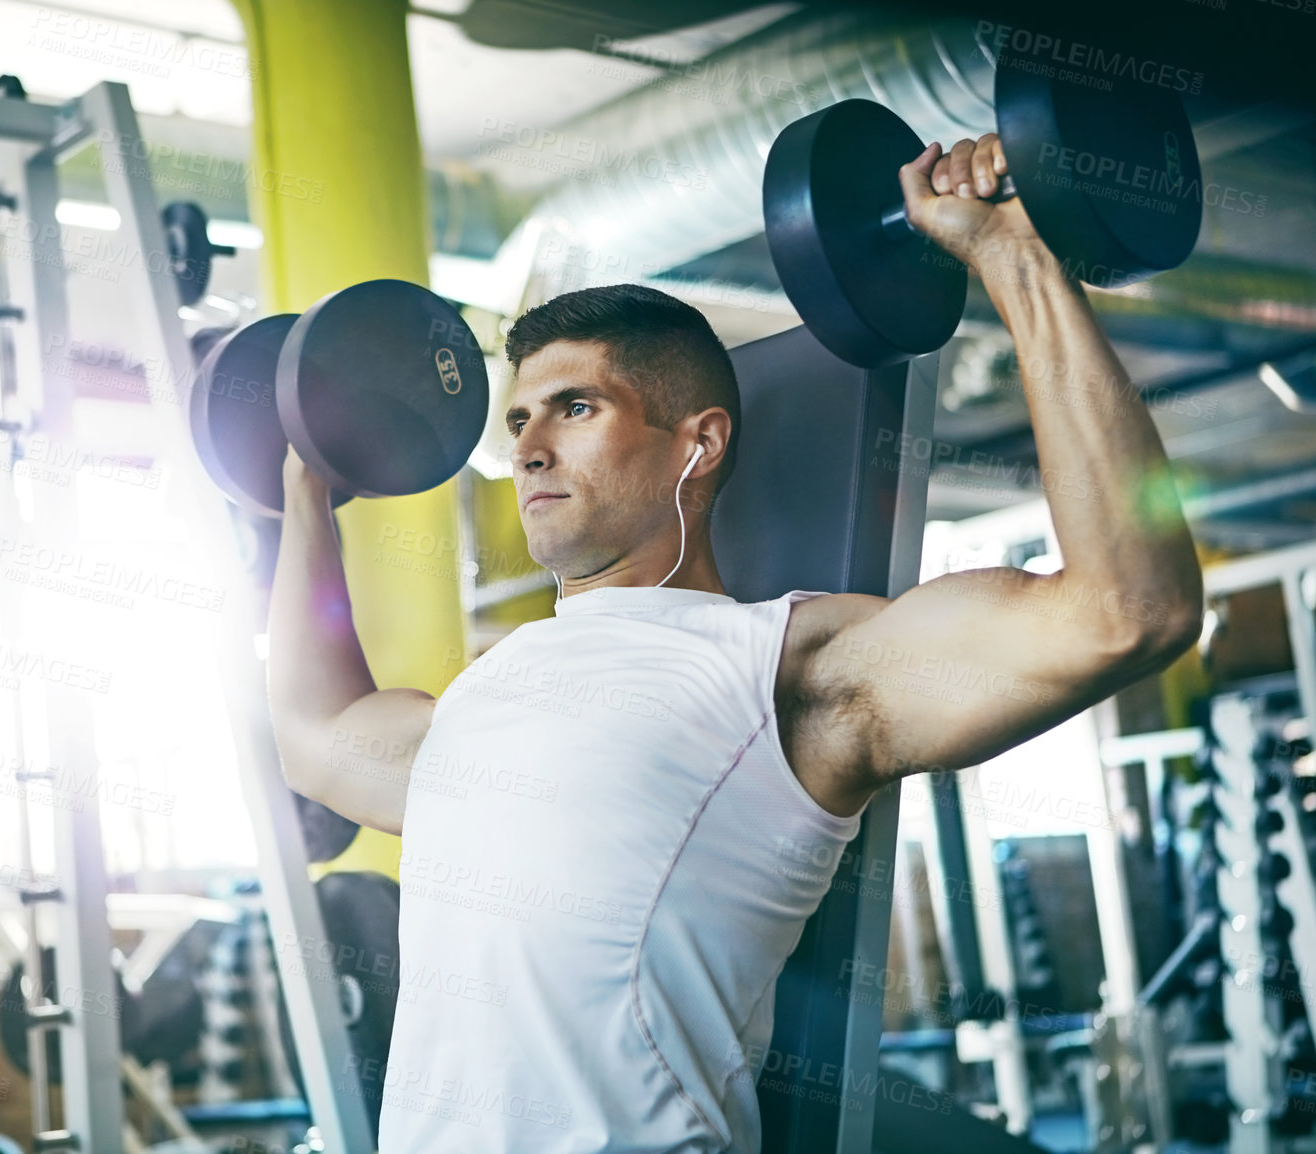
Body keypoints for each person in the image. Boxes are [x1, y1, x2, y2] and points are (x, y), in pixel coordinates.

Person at [267, 133, 1204, 1152]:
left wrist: (1011, 255)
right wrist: (306, 489)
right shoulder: (492, 686)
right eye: (522, 417)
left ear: (697, 442)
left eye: (576, 407)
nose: (528, 444)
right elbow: (315, 738)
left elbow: (1127, 609)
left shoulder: (792, 668)